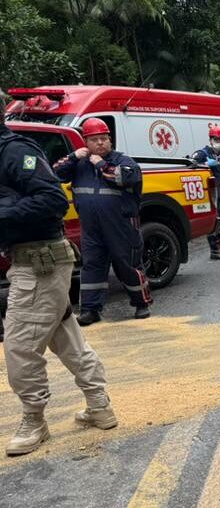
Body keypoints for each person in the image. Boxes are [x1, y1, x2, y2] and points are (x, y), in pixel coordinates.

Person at [1, 113, 117, 456]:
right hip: (34, 260)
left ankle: (34, 419)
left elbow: (52, 199)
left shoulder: (14, 151)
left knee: (20, 345)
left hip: (40, 262)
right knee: (65, 336)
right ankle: (99, 406)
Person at [53, 118, 152, 325]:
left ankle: (141, 303)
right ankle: (90, 310)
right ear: (85, 142)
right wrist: (72, 157)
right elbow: (55, 173)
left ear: (110, 141)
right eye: (94, 139)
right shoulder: (79, 163)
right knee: (92, 266)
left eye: (104, 139)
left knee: (127, 265)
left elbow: (125, 178)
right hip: (91, 227)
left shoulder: (124, 162)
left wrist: (101, 164)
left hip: (121, 226)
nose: (100, 143)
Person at [189, 126, 220, 261]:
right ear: (210, 139)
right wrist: (205, 163)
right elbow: (190, 164)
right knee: (215, 222)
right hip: (212, 194)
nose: (219, 141)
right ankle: (214, 249)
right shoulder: (202, 153)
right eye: (216, 139)